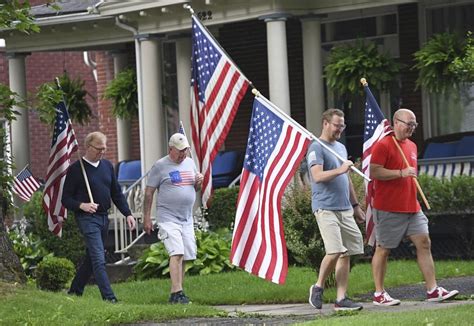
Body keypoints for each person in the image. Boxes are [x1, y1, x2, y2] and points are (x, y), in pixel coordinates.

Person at [370, 108, 459, 306]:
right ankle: (379, 294)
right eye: (409, 124)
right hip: (388, 207)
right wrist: (401, 173)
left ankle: (432, 290)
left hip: (412, 206)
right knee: (383, 249)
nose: (412, 128)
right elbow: (375, 172)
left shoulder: (411, 145)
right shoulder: (383, 145)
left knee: (424, 242)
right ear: (396, 123)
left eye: (414, 125)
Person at [62, 131, 136, 303]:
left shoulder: (107, 166)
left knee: (91, 258)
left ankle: (74, 291)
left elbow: (116, 193)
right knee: (98, 258)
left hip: (104, 217)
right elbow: (66, 199)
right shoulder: (76, 169)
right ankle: (109, 298)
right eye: (98, 149)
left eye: (104, 148)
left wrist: (128, 214)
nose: (102, 152)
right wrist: (82, 205)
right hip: (87, 219)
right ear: (88, 147)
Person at [307, 108, 365, 311]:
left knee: (346, 252)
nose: (340, 128)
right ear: (325, 123)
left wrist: (356, 205)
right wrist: (341, 169)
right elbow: (317, 176)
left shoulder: (339, 147)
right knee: (334, 250)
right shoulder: (316, 147)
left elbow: (346, 178)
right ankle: (318, 286)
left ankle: (341, 299)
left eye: (343, 125)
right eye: (337, 125)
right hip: (325, 207)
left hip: (344, 208)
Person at [143, 133, 203, 304]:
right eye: (179, 151)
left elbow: (195, 189)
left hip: (186, 218)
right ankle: (176, 292)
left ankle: (178, 292)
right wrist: (147, 218)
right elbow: (149, 192)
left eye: (185, 150)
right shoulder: (160, 166)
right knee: (176, 252)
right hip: (167, 217)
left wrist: (199, 182)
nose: (183, 154)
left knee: (185, 254)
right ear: (170, 149)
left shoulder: (190, 163)